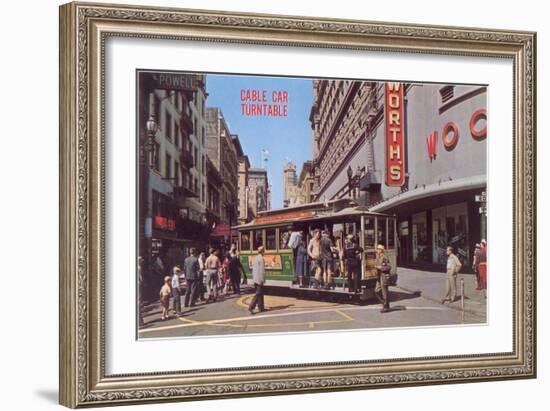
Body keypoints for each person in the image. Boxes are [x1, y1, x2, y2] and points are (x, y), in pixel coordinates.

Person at [248, 246, 266, 314]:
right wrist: (262, 279)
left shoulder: (255, 258)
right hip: (259, 279)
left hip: (255, 278)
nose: (265, 252)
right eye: (264, 251)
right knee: (258, 294)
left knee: (260, 293)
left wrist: (254, 279)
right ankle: (251, 307)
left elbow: (253, 269)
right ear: (262, 251)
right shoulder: (261, 259)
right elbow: (262, 270)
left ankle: (261, 308)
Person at [375, 244, 392, 313]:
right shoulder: (378, 257)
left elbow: (389, 267)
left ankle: (386, 306)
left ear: (381, 250)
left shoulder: (385, 257)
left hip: (384, 276)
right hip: (379, 276)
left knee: (384, 292)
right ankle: (384, 303)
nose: (377, 250)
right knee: (376, 291)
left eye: (378, 249)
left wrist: (380, 268)